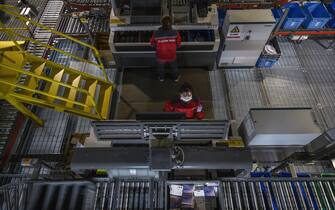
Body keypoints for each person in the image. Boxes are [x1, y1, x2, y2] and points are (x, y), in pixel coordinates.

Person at [150, 16, 181, 82]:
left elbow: (152, 43)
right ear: (171, 23)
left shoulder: (156, 33)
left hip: (161, 55)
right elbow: (178, 43)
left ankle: (161, 78)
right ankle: (175, 78)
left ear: (162, 24)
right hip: (172, 55)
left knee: (160, 68)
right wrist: (174, 47)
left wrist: (158, 47)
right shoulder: (175, 32)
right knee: (174, 67)